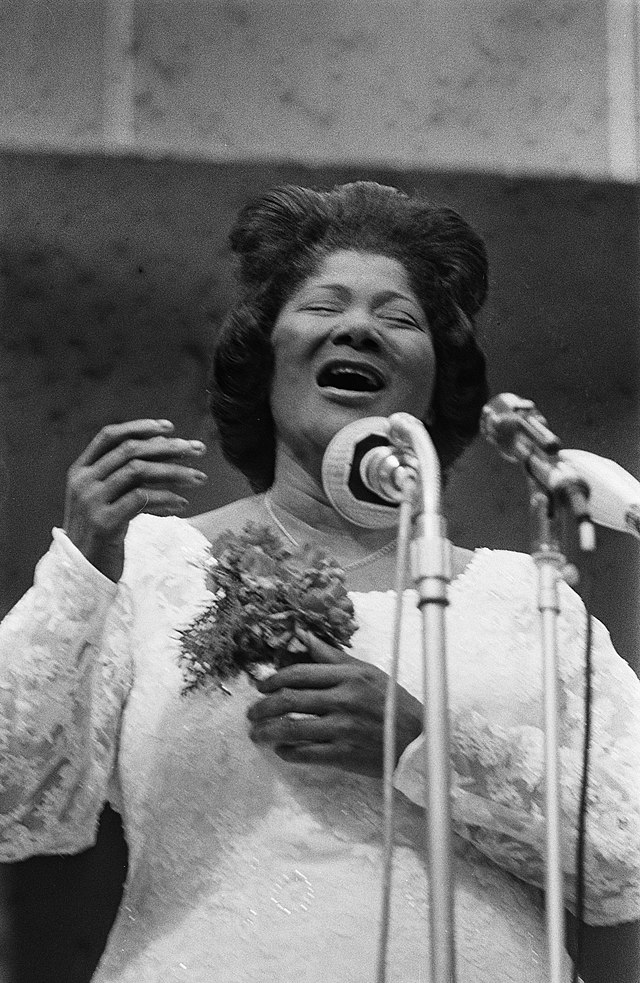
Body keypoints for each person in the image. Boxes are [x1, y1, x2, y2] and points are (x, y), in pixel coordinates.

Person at [0, 181, 639, 983]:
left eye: (398, 317)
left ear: (437, 383)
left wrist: (424, 743)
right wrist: (84, 566)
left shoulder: (525, 598)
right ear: (263, 357)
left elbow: (627, 854)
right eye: (325, 305)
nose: (359, 327)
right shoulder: (154, 565)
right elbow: (14, 804)